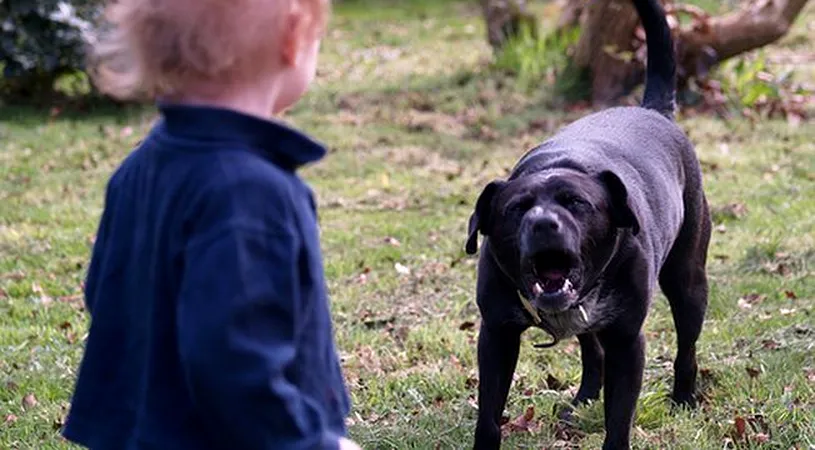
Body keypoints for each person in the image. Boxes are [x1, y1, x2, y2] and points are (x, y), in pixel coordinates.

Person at [61, 1, 360, 449]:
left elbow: (103, 291)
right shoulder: (249, 194)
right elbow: (237, 363)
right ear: (293, 39)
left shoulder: (140, 167)